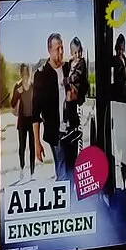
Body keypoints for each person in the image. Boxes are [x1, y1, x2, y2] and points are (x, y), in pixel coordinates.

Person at [30, 32, 80, 182]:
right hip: (55, 132)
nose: (60, 52)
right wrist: (36, 143)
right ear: (49, 50)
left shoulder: (69, 69)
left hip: (71, 129)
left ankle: (72, 203)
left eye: (62, 48)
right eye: (57, 49)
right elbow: (35, 112)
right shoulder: (41, 75)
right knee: (63, 173)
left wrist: (73, 93)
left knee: (72, 171)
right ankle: (65, 204)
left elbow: (78, 95)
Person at [11, 68, 37, 175]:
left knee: (32, 147)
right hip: (22, 121)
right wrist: (17, 93)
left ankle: (32, 171)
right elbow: (12, 104)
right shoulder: (17, 86)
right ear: (21, 73)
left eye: (27, 73)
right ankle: (22, 168)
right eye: (24, 73)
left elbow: (37, 101)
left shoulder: (32, 86)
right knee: (22, 147)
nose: (26, 75)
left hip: (32, 121)